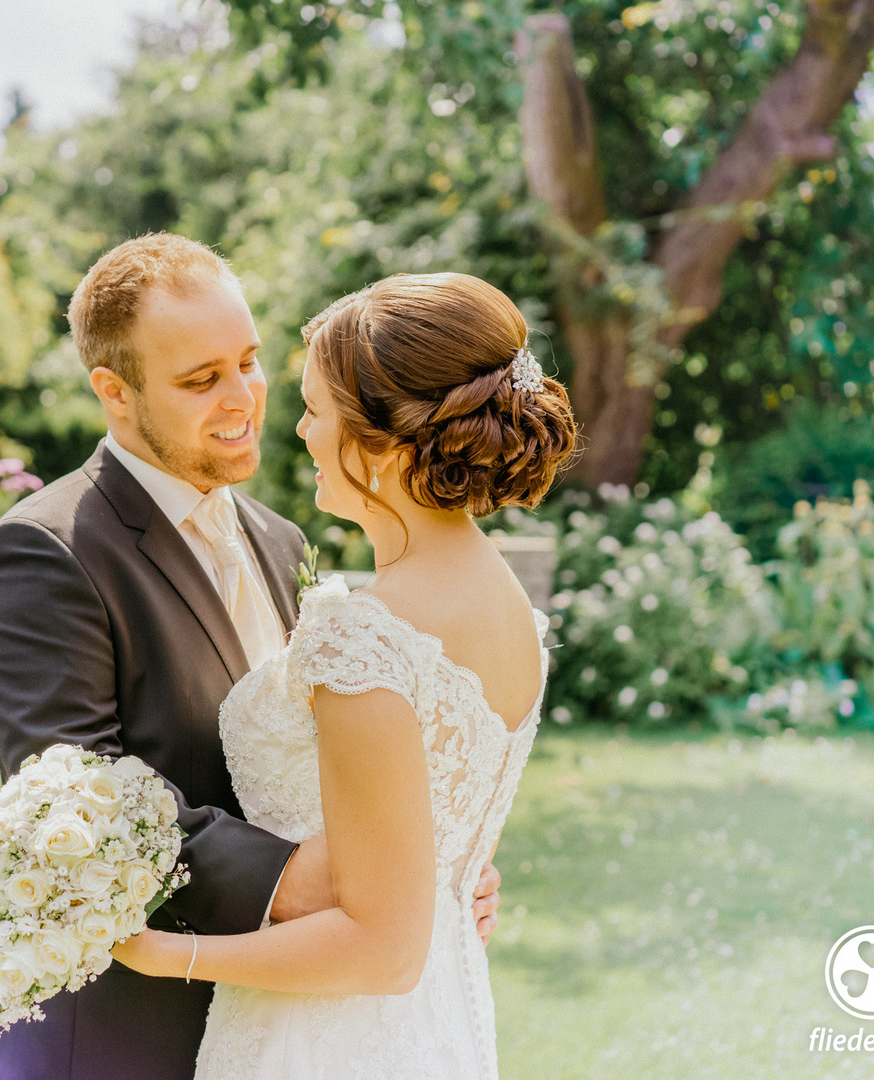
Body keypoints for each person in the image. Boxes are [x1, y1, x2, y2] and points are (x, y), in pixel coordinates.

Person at [0, 238, 507, 1080]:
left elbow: (333, 753)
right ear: (115, 392)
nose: (243, 397)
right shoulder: (41, 554)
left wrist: (416, 859)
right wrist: (297, 879)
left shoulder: (284, 541)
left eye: (248, 363)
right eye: (201, 380)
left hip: (275, 1018)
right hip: (112, 1038)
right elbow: (77, 802)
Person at [109, 271, 578, 1079]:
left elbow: (381, 949)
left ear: (383, 442)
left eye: (316, 411)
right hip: (437, 1022)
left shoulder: (367, 635)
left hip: (322, 1040)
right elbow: (441, 849)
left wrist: (162, 953)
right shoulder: (511, 613)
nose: (297, 430)